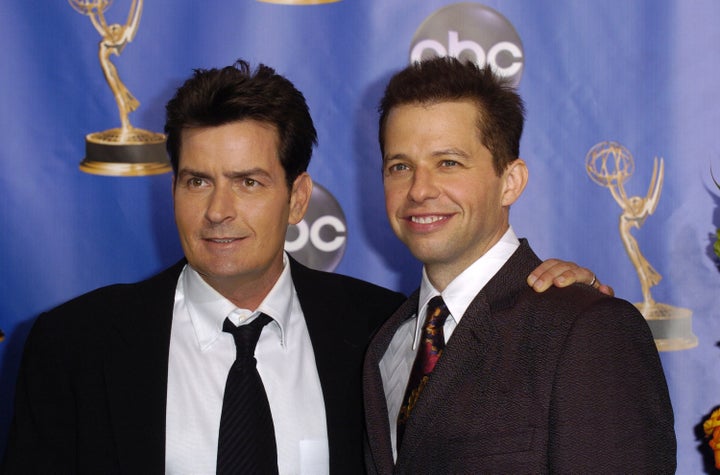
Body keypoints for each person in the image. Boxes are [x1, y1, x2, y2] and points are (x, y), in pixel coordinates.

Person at [3, 59, 604, 474]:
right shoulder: (73, 345)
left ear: (295, 198)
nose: (218, 211)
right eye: (197, 181)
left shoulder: (384, 331)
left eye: (248, 182)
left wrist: (557, 302)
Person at [362, 57, 676, 474]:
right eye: (400, 166)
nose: (419, 190)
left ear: (510, 182)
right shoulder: (388, 343)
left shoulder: (586, 330)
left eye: (448, 163)